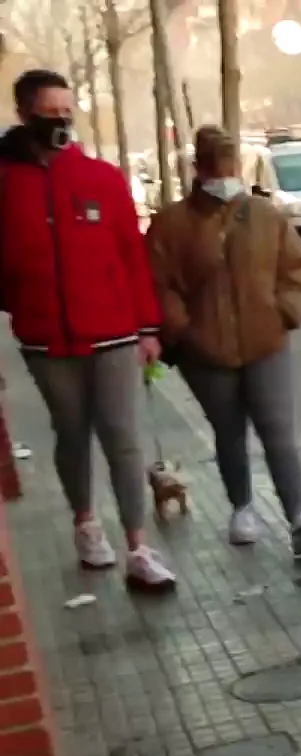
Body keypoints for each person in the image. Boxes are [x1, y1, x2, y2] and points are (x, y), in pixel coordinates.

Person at [0, 69, 175, 588]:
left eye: (66, 113)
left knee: (123, 438)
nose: (60, 122)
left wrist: (147, 327)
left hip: (115, 334)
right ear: (24, 115)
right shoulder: (7, 184)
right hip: (46, 341)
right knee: (72, 436)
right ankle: (85, 523)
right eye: (48, 113)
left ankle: (139, 547)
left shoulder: (102, 179)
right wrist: (21, 303)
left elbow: (132, 257)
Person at [146, 126, 301, 557]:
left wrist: (284, 312)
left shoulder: (265, 216)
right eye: (215, 166)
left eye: (229, 165)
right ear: (198, 168)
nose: (223, 174)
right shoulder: (172, 225)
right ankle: (242, 508)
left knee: (277, 430)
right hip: (206, 350)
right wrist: (183, 328)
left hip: (265, 341)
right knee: (228, 431)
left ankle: (300, 514)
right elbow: (159, 284)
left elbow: (294, 267)